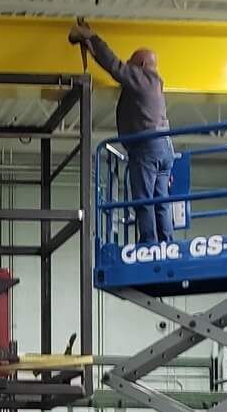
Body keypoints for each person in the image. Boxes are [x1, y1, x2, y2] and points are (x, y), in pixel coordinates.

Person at [67, 18, 177, 245]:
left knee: (144, 199)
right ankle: (166, 244)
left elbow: (115, 66)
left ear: (143, 65)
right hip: (163, 146)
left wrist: (91, 37)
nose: (128, 65)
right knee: (160, 200)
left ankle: (149, 243)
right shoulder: (155, 85)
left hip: (147, 147)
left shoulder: (143, 78)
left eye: (132, 63)